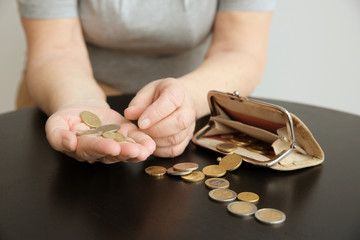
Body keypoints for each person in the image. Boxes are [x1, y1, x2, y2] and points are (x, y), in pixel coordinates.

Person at [16, 0, 276, 164]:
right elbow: (56, 49)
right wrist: (78, 102)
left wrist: (188, 97)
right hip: (64, 92)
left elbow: (239, 49)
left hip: (200, 96)